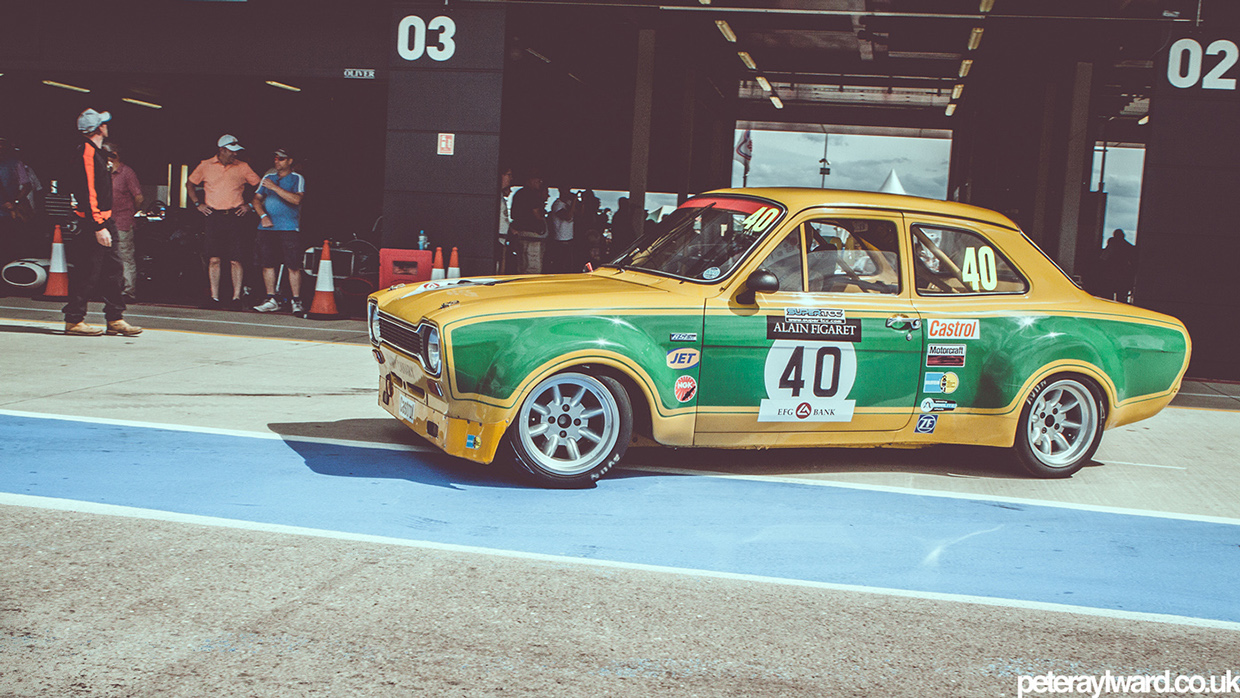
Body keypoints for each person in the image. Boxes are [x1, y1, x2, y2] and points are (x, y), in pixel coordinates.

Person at [62, 109, 141, 337]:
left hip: (106, 219)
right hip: (94, 222)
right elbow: (88, 192)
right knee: (88, 272)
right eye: (104, 123)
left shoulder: (98, 153)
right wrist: (98, 226)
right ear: (99, 128)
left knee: (114, 271)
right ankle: (74, 319)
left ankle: (115, 317)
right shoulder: (86, 153)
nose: (107, 126)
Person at [186, 134, 261, 308]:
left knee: (236, 259)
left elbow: (261, 186)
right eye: (231, 151)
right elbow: (189, 184)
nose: (235, 154)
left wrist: (250, 205)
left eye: (236, 151)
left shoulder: (242, 166)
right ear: (222, 150)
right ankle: (214, 298)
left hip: (235, 215)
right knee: (214, 258)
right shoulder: (205, 165)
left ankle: (236, 298)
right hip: (213, 216)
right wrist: (197, 204)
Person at [251, 148, 306, 315]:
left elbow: (296, 199)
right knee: (267, 263)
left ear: (290, 161)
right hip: (267, 227)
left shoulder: (297, 178)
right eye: (275, 158)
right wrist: (263, 216)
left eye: (281, 159)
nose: (277, 161)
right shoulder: (268, 177)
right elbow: (256, 199)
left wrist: (274, 188)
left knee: (293, 264)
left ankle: (296, 300)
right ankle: (271, 299)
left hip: (288, 227)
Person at [103, 142, 144, 302]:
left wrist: (130, 212)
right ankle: (109, 289)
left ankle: (128, 291)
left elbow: (139, 197)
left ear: (114, 155)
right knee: (105, 257)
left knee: (125, 256)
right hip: (105, 221)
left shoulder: (127, 172)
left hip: (122, 221)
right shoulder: (103, 172)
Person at [509, 172, 548, 274]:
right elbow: (538, 215)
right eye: (538, 181)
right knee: (533, 268)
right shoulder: (532, 195)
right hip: (532, 237)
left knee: (522, 266)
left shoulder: (518, 194)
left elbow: (513, 215)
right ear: (531, 180)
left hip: (520, 235)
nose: (540, 183)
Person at [1098, 228, 1137, 302]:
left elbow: (1103, 258)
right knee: (1121, 297)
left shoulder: (1112, 245)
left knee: (1108, 296)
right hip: (1123, 274)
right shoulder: (1129, 247)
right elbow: (1133, 262)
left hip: (1111, 273)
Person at [548, 187, 578, 273]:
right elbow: (568, 217)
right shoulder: (557, 205)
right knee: (561, 265)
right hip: (561, 240)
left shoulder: (567, 204)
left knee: (568, 265)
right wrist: (574, 202)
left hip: (569, 239)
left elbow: (578, 213)